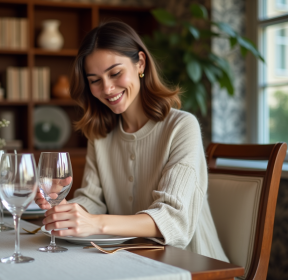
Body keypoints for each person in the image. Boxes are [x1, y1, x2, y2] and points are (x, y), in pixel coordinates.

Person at [34, 21, 229, 262]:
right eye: (94, 80)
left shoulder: (181, 127)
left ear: (141, 63)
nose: (107, 88)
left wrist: (95, 223)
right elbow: (93, 199)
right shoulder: (100, 134)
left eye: (115, 73)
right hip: (130, 260)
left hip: (194, 265)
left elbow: (172, 219)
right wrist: (66, 207)